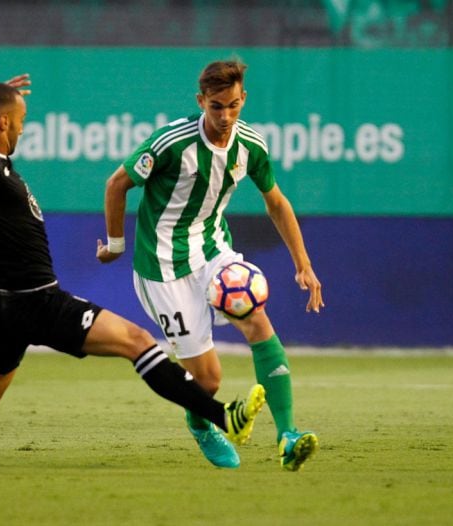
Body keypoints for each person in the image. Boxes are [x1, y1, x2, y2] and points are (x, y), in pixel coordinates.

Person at [0, 74, 267, 473]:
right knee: (138, 343)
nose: (21, 128)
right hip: (36, 299)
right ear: (0, 125)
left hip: (0, 300)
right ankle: (222, 416)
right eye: (19, 121)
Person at [97, 59, 323, 471]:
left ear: (244, 99)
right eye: (216, 106)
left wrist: (303, 263)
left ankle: (287, 435)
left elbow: (276, 202)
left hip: (213, 251)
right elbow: (117, 184)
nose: (225, 116)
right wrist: (114, 244)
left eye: (234, 105)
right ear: (201, 101)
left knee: (258, 321)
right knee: (209, 380)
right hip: (162, 267)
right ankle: (202, 425)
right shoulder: (171, 143)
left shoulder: (251, 145)